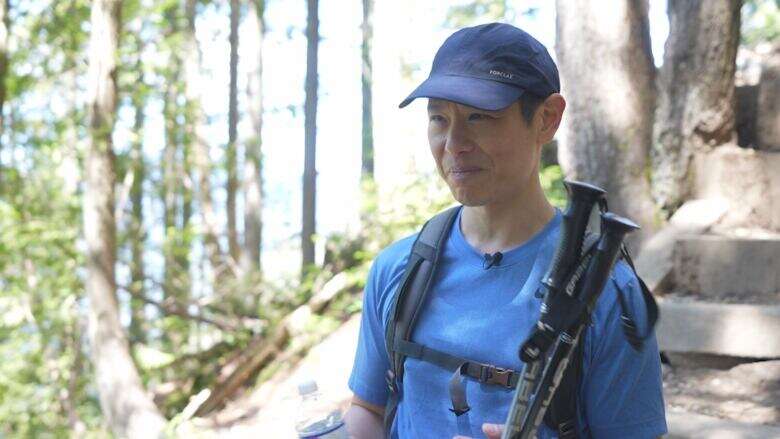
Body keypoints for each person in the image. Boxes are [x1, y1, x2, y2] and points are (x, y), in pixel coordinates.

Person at [343, 23, 667, 439]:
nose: (454, 143)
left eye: (480, 117)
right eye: (439, 118)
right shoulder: (400, 270)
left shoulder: (604, 292)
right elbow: (368, 409)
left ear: (547, 119)